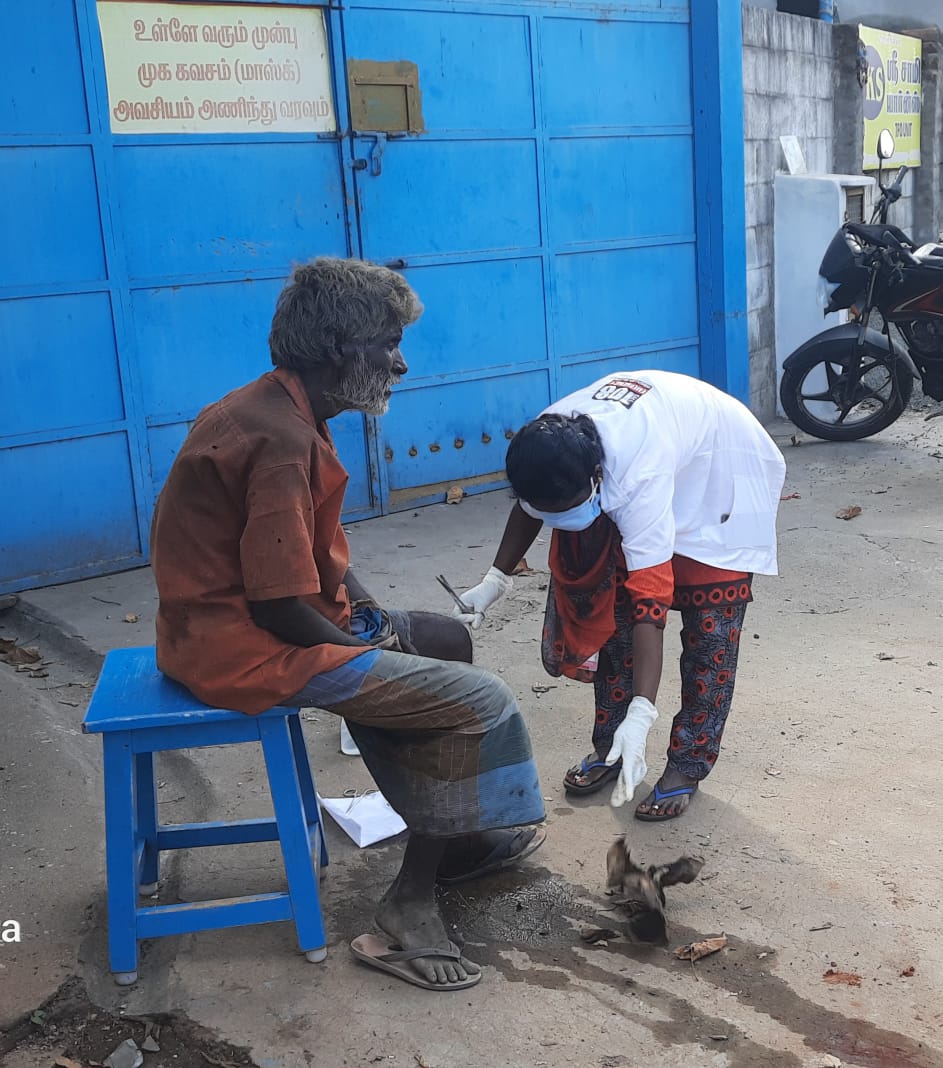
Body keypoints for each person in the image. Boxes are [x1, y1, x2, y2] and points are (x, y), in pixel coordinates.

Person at [150, 258, 545, 991]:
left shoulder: (281, 408)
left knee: (443, 643)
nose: (400, 361)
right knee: (476, 700)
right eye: (388, 343)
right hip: (240, 647)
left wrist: (373, 623)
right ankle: (408, 905)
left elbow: (312, 562)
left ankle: (452, 841)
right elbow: (277, 606)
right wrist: (368, 646)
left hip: (238, 624)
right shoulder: (281, 440)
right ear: (340, 347)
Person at [456, 370, 786, 822]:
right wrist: (495, 580)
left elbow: (652, 604)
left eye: (569, 509)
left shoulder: (636, 475)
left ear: (596, 476)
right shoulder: (547, 437)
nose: (562, 520)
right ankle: (610, 745)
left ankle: (688, 764)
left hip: (720, 476)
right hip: (666, 446)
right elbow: (529, 505)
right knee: (615, 622)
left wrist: (643, 713)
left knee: (711, 631)